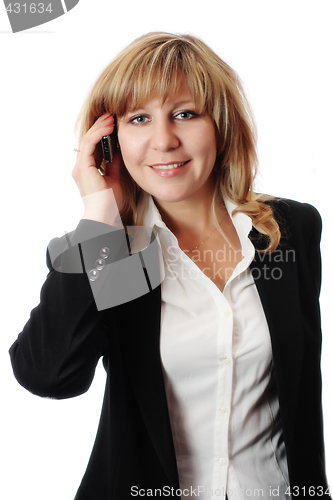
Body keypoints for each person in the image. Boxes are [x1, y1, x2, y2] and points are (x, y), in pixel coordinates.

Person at [9, 32, 330, 500]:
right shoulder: (110, 252)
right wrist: (100, 213)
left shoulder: (289, 230)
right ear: (109, 141)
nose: (164, 140)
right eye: (139, 119)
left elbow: (300, 403)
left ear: (220, 124)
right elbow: (47, 376)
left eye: (185, 113)